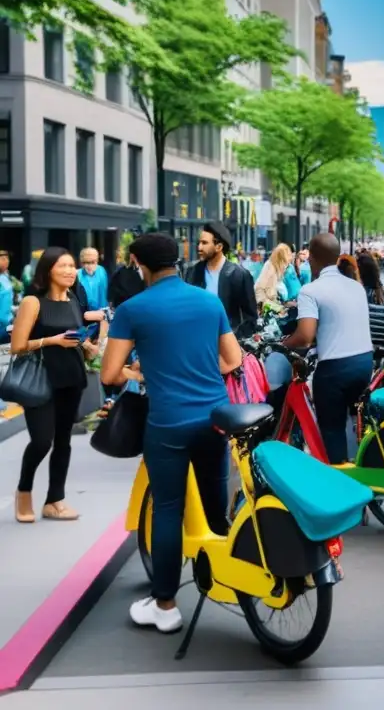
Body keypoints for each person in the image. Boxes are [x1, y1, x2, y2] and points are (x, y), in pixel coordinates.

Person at [101, 232, 242, 633]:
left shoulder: (133, 308)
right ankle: (226, 577)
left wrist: (142, 370)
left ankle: (165, 605)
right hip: (216, 416)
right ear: (177, 260)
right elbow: (231, 360)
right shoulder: (207, 300)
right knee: (217, 504)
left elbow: (110, 374)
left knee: (167, 510)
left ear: (137, 263)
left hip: (168, 422)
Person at [11, 248, 97, 523]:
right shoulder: (32, 302)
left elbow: (75, 334)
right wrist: (52, 341)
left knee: (63, 441)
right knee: (41, 441)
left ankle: (54, 500)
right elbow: (17, 346)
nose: (71, 271)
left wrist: (86, 346)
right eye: (63, 266)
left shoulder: (73, 298)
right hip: (41, 381)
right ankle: (24, 491)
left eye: (73, 266)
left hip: (71, 377)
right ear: (48, 270)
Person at [284, 233, 372, 465]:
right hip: (364, 363)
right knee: (359, 420)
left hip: (335, 370)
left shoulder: (311, 291)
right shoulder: (356, 287)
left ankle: (339, 479)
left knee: (332, 428)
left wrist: (283, 344)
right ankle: (364, 469)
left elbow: (304, 336)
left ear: (311, 258)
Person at [188, 221, 258, 333]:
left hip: (227, 343)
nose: (199, 247)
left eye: (204, 243)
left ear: (219, 247)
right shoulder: (193, 271)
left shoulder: (239, 275)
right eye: (199, 243)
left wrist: (234, 342)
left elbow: (250, 319)